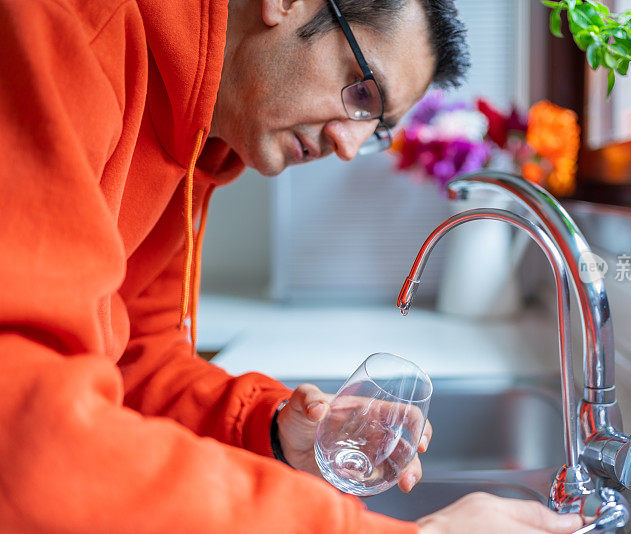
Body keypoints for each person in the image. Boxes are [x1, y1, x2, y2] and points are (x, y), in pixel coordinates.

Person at [0, 0, 584, 532]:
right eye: (362, 94)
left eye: (376, 129)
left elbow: (135, 358)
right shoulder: (65, 29)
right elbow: (26, 435)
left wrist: (270, 428)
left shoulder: (200, 140)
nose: (351, 147)